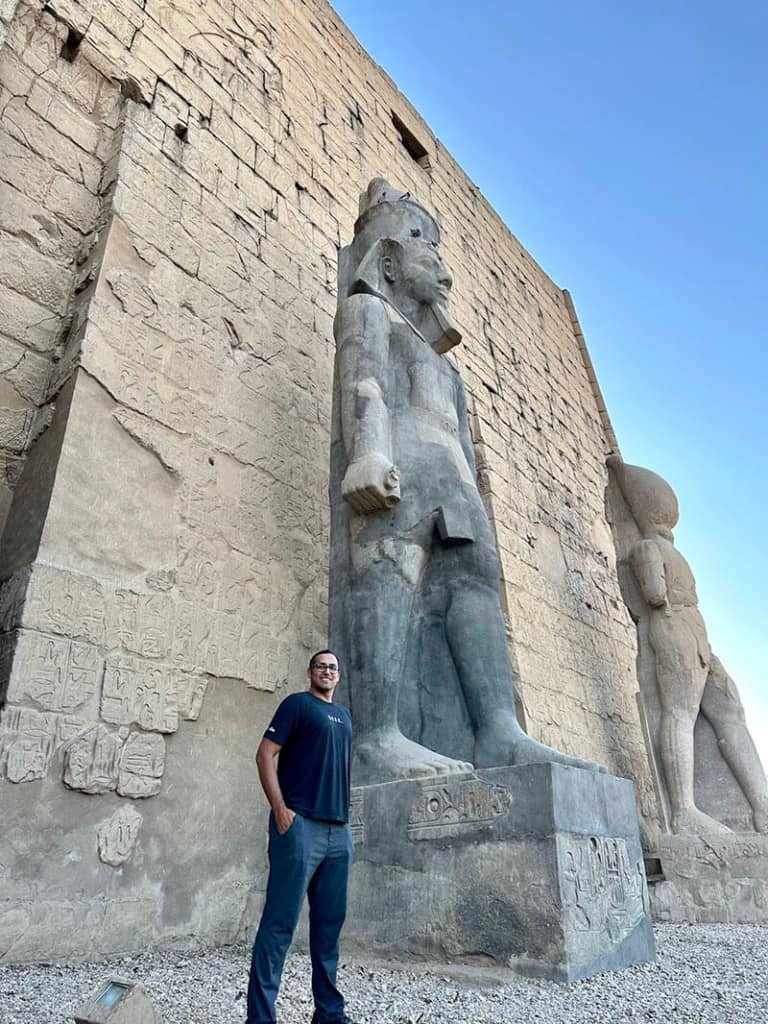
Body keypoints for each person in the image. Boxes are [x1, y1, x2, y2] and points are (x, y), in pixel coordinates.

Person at [329, 179, 601, 785]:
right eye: (429, 253)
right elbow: (363, 383)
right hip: (400, 470)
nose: (445, 270)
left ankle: (497, 729)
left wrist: (474, 495)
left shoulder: (448, 369)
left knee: (474, 587)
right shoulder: (368, 311)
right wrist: (368, 452)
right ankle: (376, 735)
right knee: (388, 573)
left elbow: (464, 439)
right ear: (390, 263)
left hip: (455, 484)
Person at [246, 650, 356, 1024]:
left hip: (339, 832)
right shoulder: (297, 705)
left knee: (329, 929)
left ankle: (329, 1013)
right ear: (310, 672)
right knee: (279, 926)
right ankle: (260, 1018)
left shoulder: (344, 716)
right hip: (300, 827)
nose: (327, 671)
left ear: (338, 676)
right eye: (321, 666)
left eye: (333, 667)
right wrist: (280, 809)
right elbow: (264, 755)